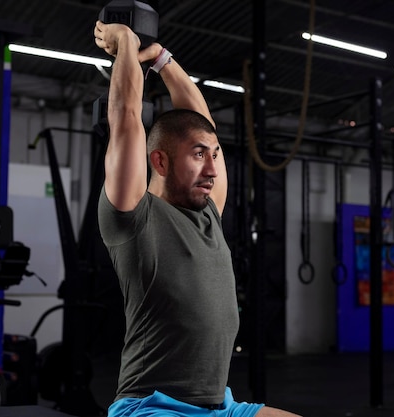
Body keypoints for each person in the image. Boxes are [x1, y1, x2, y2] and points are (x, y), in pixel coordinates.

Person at [94, 21, 301, 417]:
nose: (212, 169)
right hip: (151, 408)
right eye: (198, 155)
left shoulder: (208, 214)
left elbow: (200, 122)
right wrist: (126, 44)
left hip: (219, 406)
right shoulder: (133, 216)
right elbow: (125, 119)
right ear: (160, 161)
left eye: (214, 156)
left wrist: (161, 60)